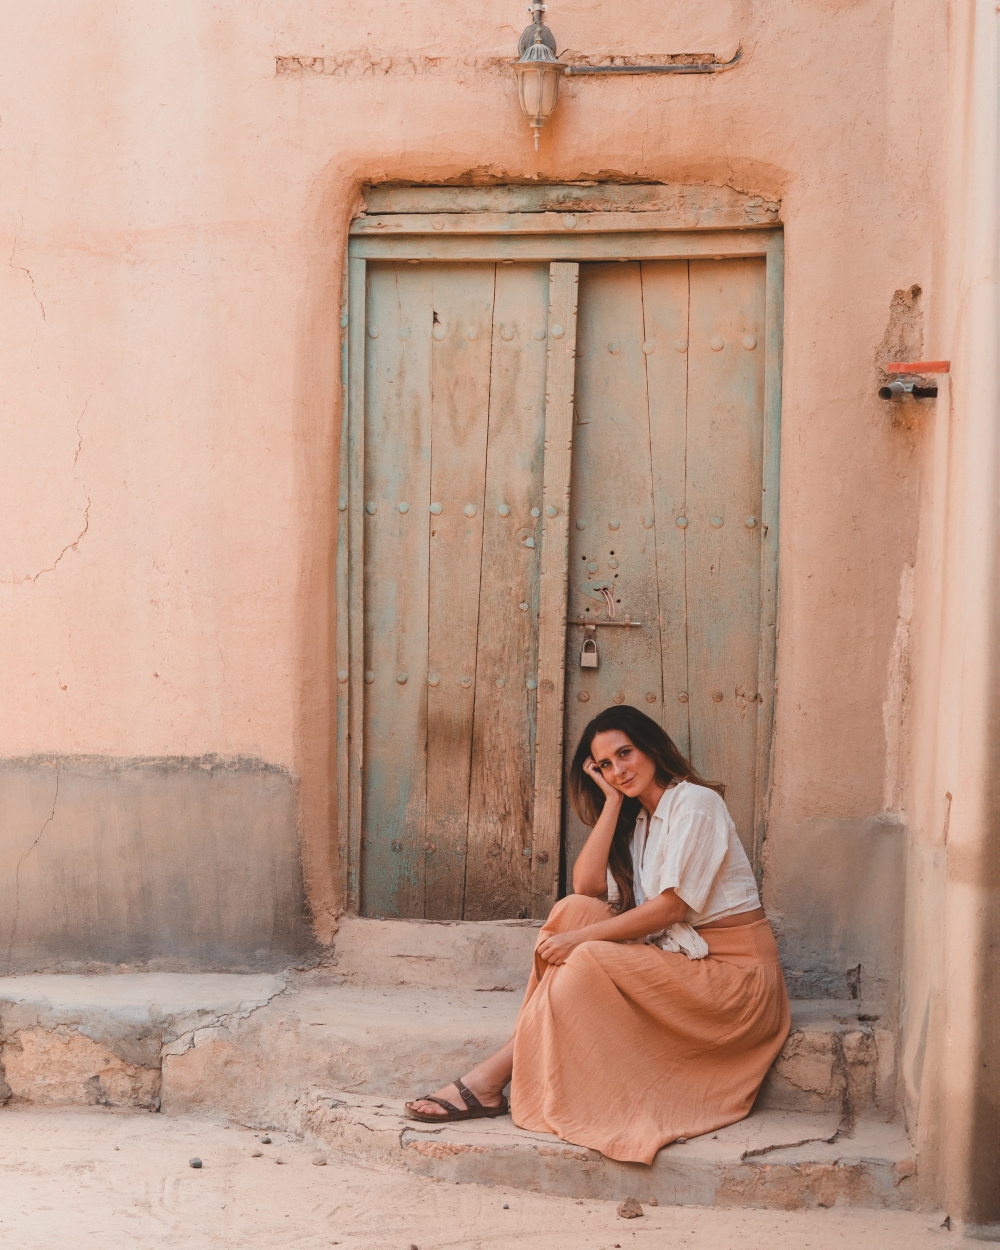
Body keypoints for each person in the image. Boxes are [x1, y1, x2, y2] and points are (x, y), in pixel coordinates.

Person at [405, 704, 790, 1165]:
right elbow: (587, 887)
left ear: (651, 747)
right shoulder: (644, 822)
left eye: (625, 754)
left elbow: (672, 907)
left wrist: (581, 943)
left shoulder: (695, 804)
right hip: (689, 966)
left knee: (583, 950)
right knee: (573, 913)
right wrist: (612, 803)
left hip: (735, 983)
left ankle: (487, 1081)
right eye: (605, 765)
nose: (618, 770)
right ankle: (490, 1082)